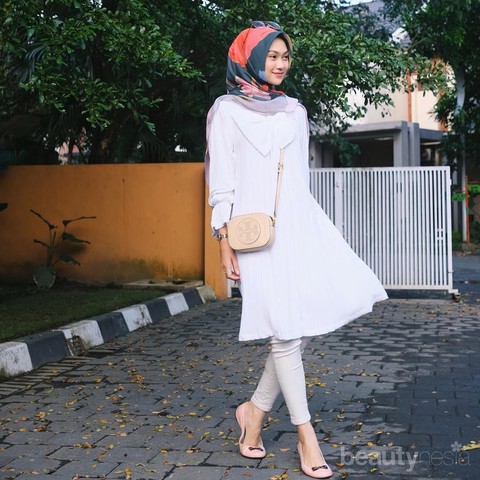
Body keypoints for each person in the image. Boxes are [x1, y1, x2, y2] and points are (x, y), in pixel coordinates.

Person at [205, 21, 388, 479]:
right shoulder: (226, 110)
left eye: (285, 56)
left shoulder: (295, 111)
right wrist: (223, 242)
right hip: (254, 236)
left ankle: (253, 413)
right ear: (251, 58)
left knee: (299, 326)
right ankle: (307, 435)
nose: (280, 64)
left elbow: (300, 180)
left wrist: (313, 230)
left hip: (298, 227)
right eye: (272, 56)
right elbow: (222, 182)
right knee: (285, 334)